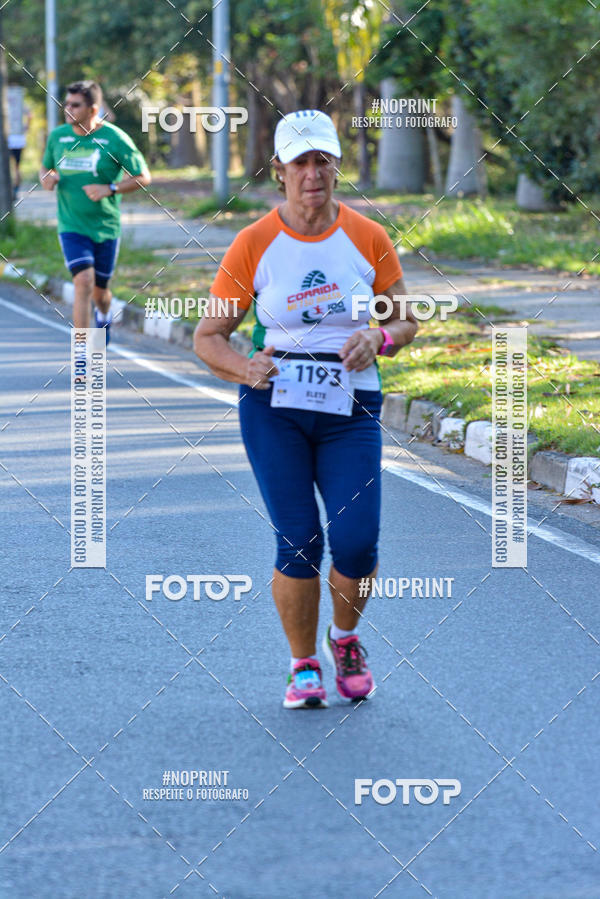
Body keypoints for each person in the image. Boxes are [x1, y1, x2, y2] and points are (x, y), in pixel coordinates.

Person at [194, 110, 418, 708]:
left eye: (323, 161)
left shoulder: (368, 237)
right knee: (299, 540)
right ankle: (302, 666)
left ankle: (344, 640)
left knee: (357, 541)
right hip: (276, 409)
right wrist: (246, 368)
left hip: (352, 406)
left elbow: (404, 317)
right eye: (301, 162)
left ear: (336, 168)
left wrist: (380, 338)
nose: (313, 173)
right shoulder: (254, 242)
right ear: (279, 172)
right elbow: (207, 337)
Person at [39, 80, 151, 343]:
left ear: (93, 109)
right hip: (71, 226)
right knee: (83, 282)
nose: (68, 109)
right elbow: (46, 168)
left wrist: (109, 188)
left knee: (100, 292)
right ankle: (83, 350)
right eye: (66, 104)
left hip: (106, 228)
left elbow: (143, 177)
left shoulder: (114, 138)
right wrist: (47, 178)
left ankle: (104, 312)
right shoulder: (58, 137)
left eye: (75, 105)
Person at [7, 85, 31, 200]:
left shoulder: (4, 99)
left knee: (8, 166)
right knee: (16, 167)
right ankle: (15, 190)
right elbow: (30, 115)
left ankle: (11, 190)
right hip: (19, 138)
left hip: (8, 137)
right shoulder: (21, 101)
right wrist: (26, 127)